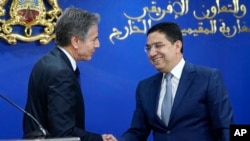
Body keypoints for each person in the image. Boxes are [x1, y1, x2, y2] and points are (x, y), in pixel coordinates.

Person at [119, 22, 234, 141]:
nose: (152, 53)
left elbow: (226, 128)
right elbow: (137, 131)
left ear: (177, 46)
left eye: (158, 45)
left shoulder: (208, 78)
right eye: (148, 48)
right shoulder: (144, 87)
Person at [23, 7, 117, 141]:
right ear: (76, 41)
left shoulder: (46, 62)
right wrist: (99, 139)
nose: (98, 45)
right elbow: (63, 133)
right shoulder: (62, 73)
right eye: (94, 39)